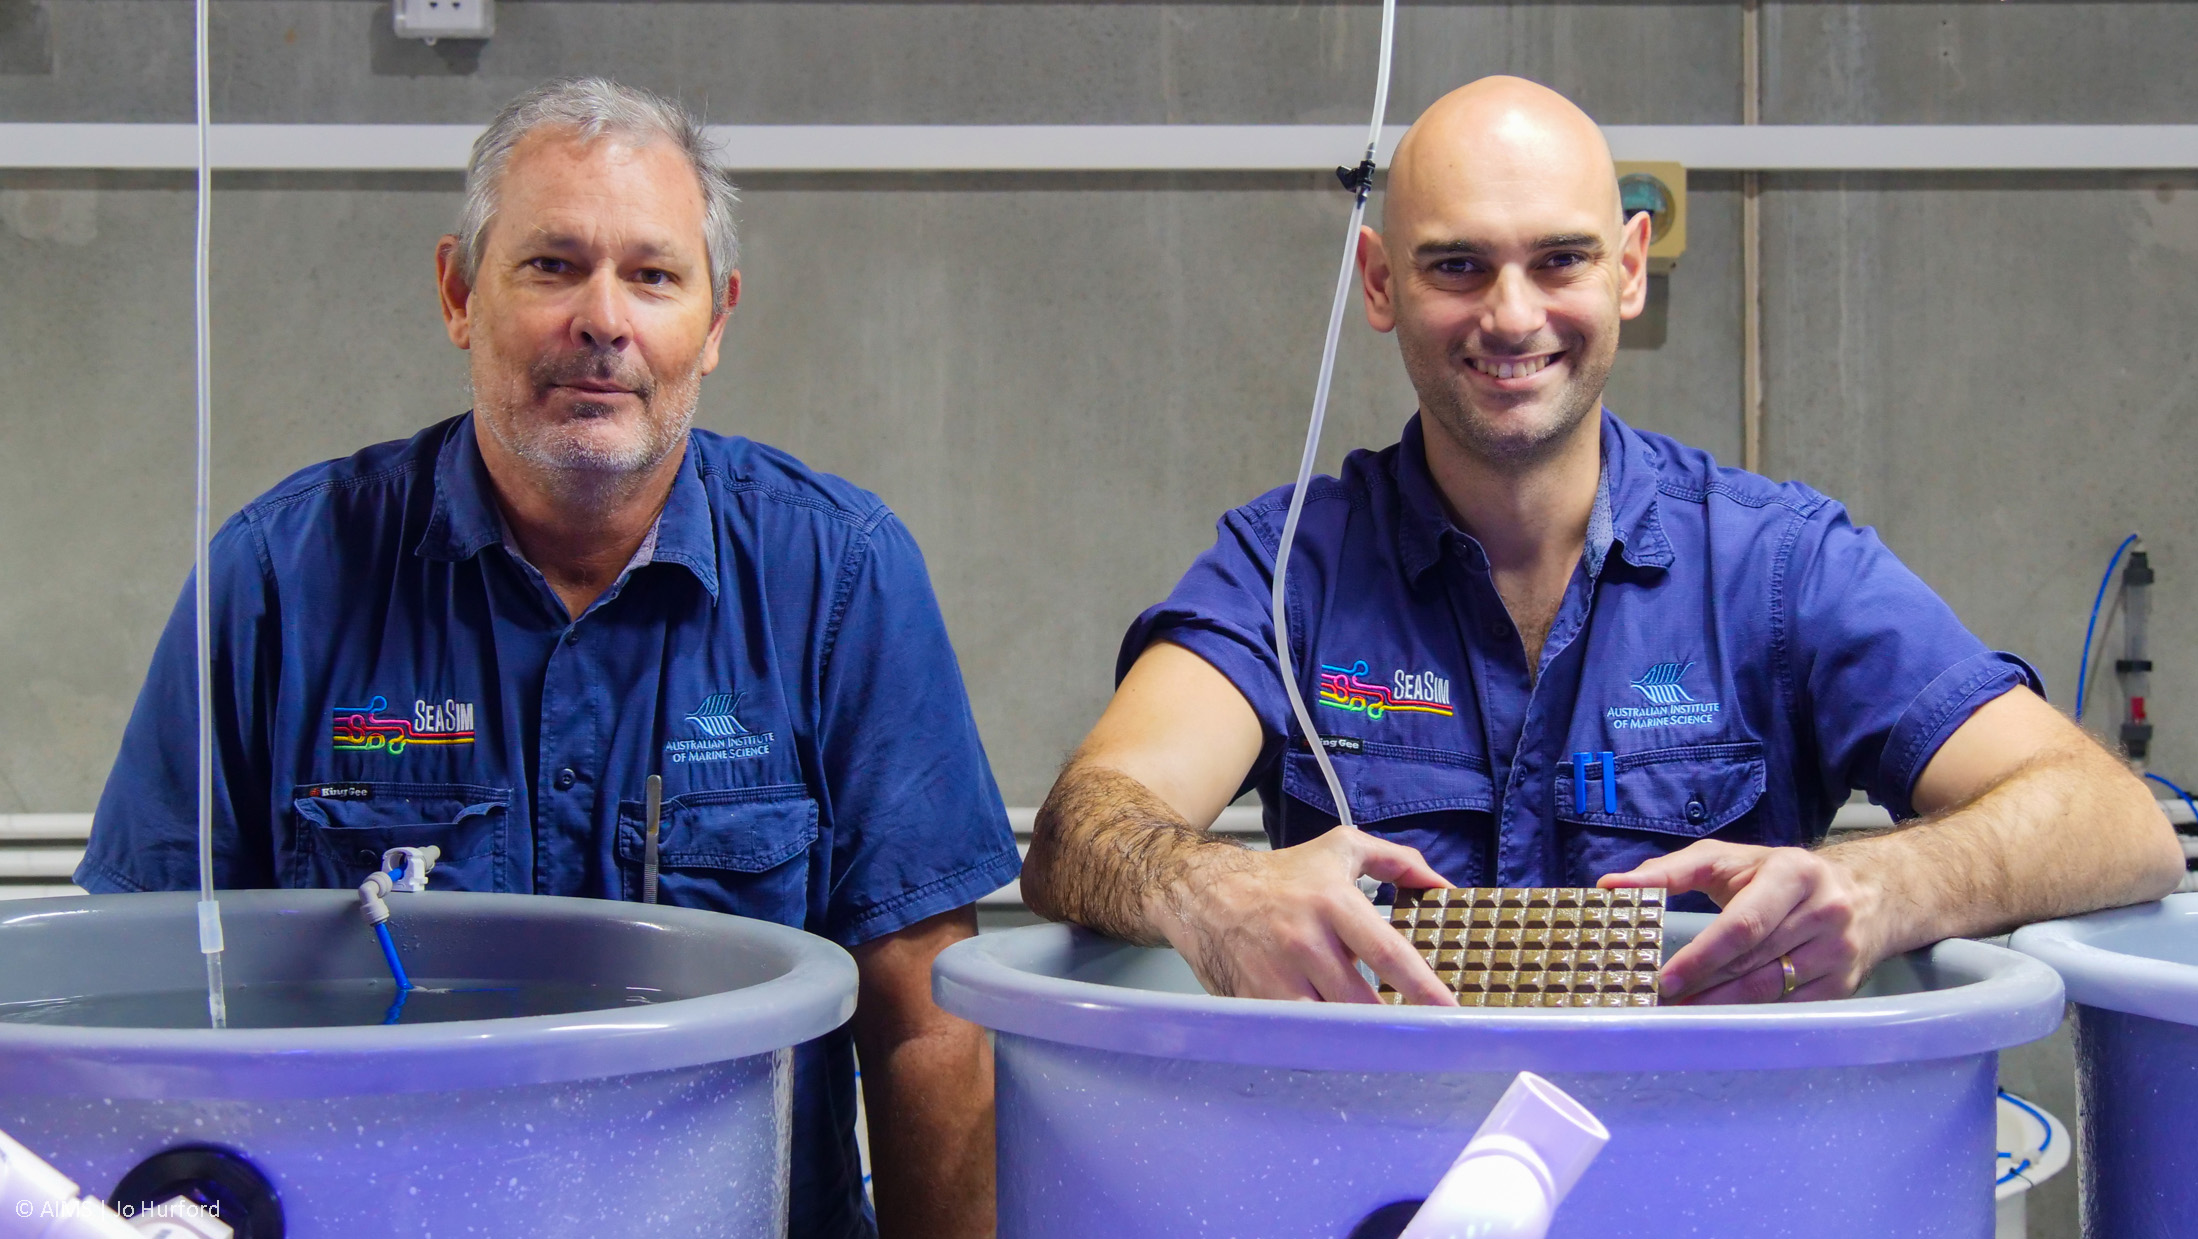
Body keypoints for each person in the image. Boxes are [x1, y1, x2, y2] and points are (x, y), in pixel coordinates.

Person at [77, 78, 1017, 1239]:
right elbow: (142, 982)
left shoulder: (840, 578)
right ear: (458, 294)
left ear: (715, 321)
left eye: (652, 275)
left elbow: (922, 1012)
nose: (603, 320)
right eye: (552, 266)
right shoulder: (274, 580)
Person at [1022, 75, 2182, 1009]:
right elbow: (1083, 824)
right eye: (1456, 265)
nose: (1512, 315)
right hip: (1382, 1174)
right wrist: (1207, 890)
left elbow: (2114, 824)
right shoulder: (1290, 573)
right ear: (1378, 283)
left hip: (1702, 1180)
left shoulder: (1775, 570)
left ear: (1627, 268)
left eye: (1559, 259)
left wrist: (1885, 883)